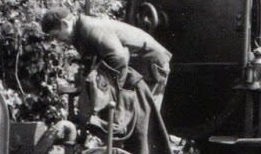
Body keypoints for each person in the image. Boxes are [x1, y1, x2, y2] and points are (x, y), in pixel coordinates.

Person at [40, 8, 172, 101]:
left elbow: (118, 57)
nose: (58, 41)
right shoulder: (79, 33)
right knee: (127, 119)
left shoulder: (91, 27)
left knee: (143, 118)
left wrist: (112, 92)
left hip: (150, 63)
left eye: (56, 35)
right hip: (137, 64)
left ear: (65, 24)